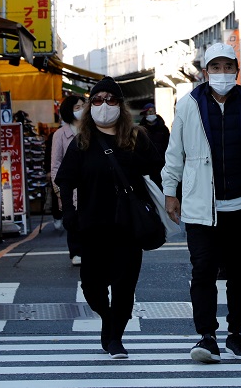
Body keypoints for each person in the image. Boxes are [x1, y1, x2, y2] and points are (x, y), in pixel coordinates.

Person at [163, 42, 241, 364]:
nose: (222, 73)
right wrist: (170, 191)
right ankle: (207, 336)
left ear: (237, 70)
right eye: (216, 68)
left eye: (228, 67)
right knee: (203, 271)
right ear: (205, 72)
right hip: (199, 208)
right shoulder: (189, 105)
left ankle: (236, 332)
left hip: (240, 205)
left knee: (239, 273)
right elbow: (174, 152)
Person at [55, 77, 164, 360]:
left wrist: (169, 198)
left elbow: (157, 168)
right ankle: (107, 318)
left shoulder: (136, 137)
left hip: (129, 225)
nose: (104, 105)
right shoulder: (82, 141)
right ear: (91, 105)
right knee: (92, 285)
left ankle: (116, 337)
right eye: (98, 100)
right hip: (92, 224)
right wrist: (68, 211)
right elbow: (65, 180)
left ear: (121, 105)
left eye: (111, 99)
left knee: (124, 285)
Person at [50, 94, 86, 263]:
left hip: (88, 183)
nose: (81, 110)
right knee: (72, 217)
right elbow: (55, 163)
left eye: (83, 106)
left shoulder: (90, 131)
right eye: (77, 107)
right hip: (69, 185)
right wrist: (58, 189)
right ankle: (76, 252)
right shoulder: (60, 135)